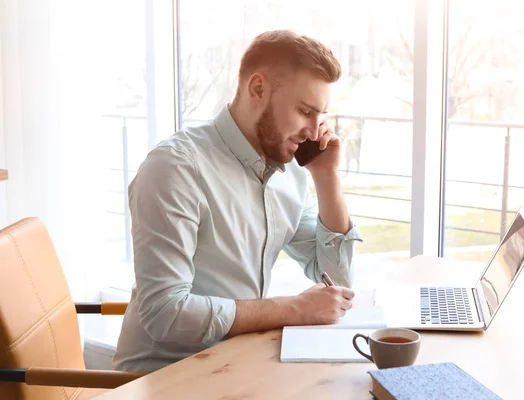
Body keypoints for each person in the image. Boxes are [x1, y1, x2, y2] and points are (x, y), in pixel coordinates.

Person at [112, 30, 363, 372]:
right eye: (305, 111)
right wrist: (292, 309)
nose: (315, 131)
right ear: (257, 89)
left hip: (239, 362)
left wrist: (327, 178)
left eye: (320, 116)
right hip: (166, 376)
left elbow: (337, 280)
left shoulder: (289, 173)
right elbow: (166, 315)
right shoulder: (175, 168)